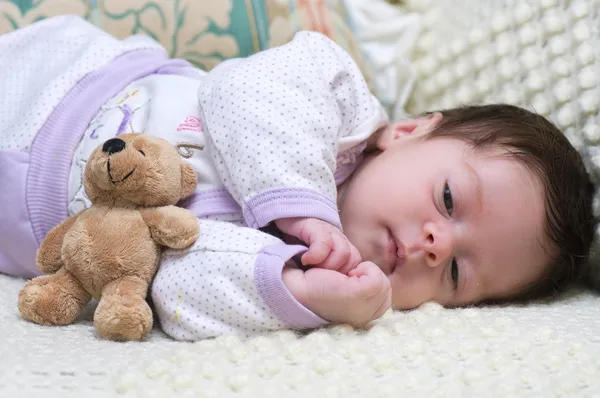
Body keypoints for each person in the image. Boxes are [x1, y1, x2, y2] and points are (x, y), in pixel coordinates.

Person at [0, 16, 595, 340]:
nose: (437, 245)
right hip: (59, 86)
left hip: (21, 219)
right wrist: (305, 208)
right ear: (410, 132)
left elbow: (179, 288)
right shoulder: (335, 95)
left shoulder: (296, 269)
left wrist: (299, 293)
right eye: (448, 198)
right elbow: (242, 90)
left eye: (460, 272)